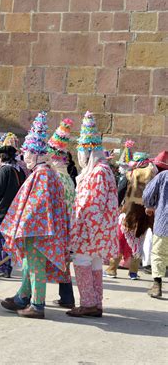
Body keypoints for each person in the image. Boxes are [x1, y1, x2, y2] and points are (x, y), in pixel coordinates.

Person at [0, 111, 69, 319]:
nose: (24, 156)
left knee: (36, 266)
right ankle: (23, 296)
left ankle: (37, 305)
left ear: (38, 154)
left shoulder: (43, 174)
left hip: (37, 231)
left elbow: (37, 207)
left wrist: (22, 228)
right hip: (35, 229)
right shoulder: (43, 173)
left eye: (28, 153)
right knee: (30, 264)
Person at [67, 112, 118, 318]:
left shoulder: (97, 172)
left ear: (88, 152)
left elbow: (92, 205)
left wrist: (79, 227)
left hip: (90, 229)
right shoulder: (102, 169)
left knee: (82, 262)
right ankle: (96, 302)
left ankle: (88, 303)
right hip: (99, 229)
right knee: (95, 263)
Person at [105, 152, 156, 280]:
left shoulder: (130, 175)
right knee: (138, 242)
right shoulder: (153, 176)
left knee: (120, 241)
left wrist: (115, 208)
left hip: (128, 214)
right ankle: (133, 272)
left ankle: (112, 270)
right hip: (144, 215)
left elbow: (120, 192)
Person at [46, 119, 77, 309]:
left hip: (55, 225)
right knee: (62, 263)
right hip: (65, 227)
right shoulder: (68, 178)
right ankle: (67, 297)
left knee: (36, 261)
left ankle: (31, 297)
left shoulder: (55, 177)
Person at [0, 145, 25, 279]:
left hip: (0, 210)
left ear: (2, 156)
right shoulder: (20, 171)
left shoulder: (4, 170)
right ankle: (6, 268)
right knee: (7, 241)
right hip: (13, 211)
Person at [143, 150, 168, 299]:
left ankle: (157, 285)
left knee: (158, 253)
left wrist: (150, 206)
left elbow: (147, 194)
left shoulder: (163, 176)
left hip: (164, 222)